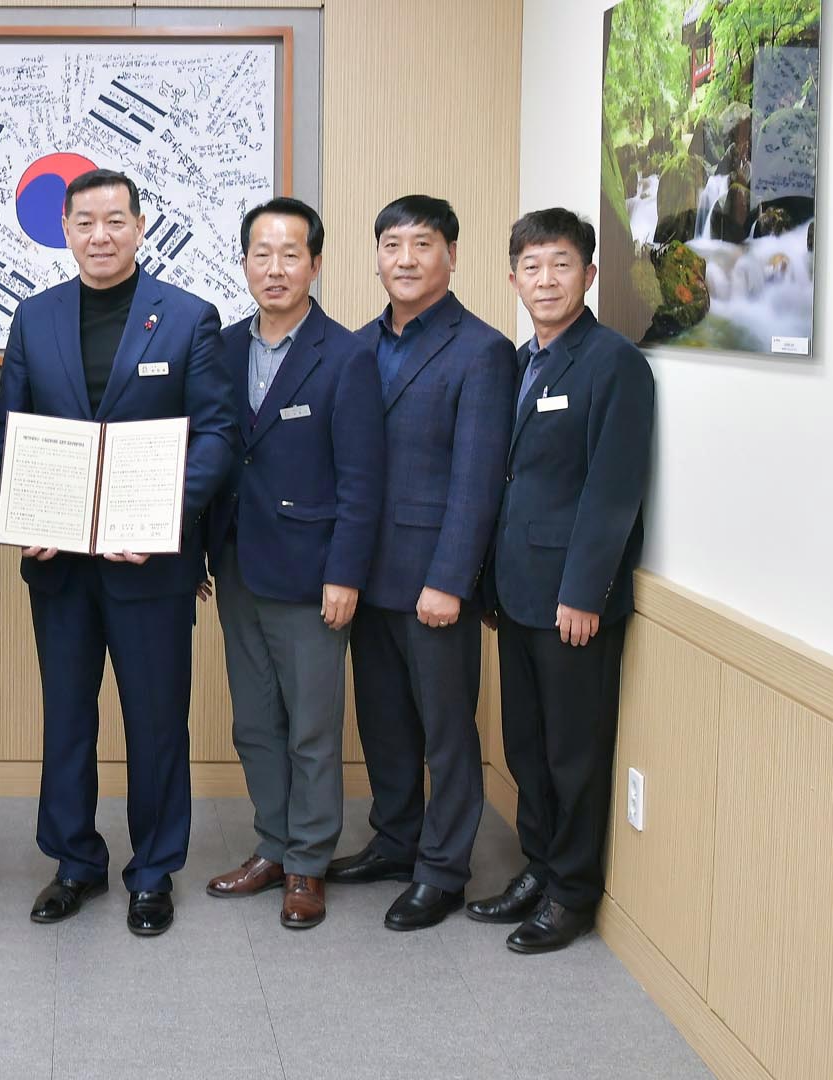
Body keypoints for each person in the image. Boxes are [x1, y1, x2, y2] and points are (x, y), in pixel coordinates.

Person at [0, 169, 233, 937]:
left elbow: (216, 433)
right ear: (65, 229)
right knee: (67, 717)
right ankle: (75, 862)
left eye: (115, 221)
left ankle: (153, 871)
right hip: (60, 565)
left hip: (150, 564)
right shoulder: (33, 318)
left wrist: (163, 516)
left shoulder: (189, 317)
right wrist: (28, 511)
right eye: (85, 222)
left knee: (156, 721)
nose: (100, 236)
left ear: (140, 227)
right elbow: (13, 430)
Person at [325, 196, 515, 931]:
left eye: (423, 244)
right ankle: (395, 840)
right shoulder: (356, 345)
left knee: (446, 731)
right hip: (365, 575)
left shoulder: (483, 350)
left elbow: (476, 480)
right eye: (392, 245)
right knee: (383, 722)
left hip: (433, 580)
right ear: (376, 256)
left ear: (452, 256)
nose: (405, 259)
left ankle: (443, 869)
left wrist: (450, 581)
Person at [471, 208, 653, 953]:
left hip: (572, 600)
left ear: (590, 273)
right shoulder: (523, 360)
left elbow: (613, 489)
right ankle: (539, 867)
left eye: (561, 264)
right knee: (526, 745)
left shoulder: (613, 362)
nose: (545, 280)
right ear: (513, 277)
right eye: (532, 266)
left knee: (574, 755)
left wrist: (584, 591)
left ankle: (572, 892)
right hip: (517, 591)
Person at [199, 197, 385, 930]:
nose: (274, 269)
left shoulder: (347, 355)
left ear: (315, 263)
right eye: (261, 254)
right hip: (235, 563)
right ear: (244, 263)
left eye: (290, 254)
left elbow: (362, 480)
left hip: (312, 573)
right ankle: (272, 846)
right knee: (254, 722)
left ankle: (308, 861)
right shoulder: (220, 348)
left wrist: (345, 574)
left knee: (311, 726)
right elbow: (211, 452)